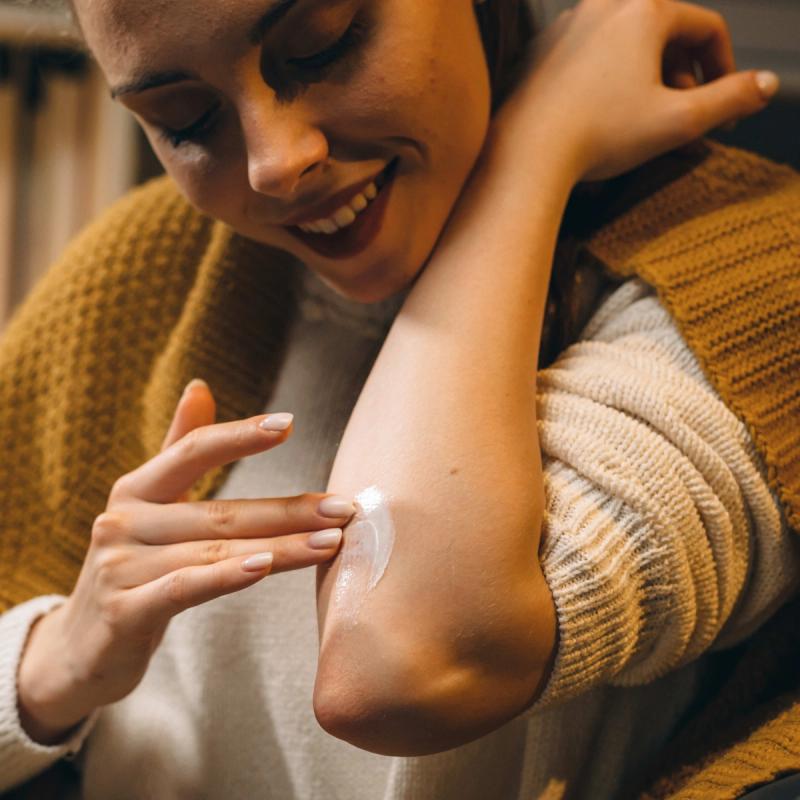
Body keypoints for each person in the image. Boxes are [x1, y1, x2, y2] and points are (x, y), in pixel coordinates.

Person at [0, 0, 798, 797]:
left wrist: (529, 151)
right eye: (185, 118)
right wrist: (52, 665)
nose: (275, 164)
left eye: (322, 46)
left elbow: (400, 666)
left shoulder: (748, 272)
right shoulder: (144, 267)